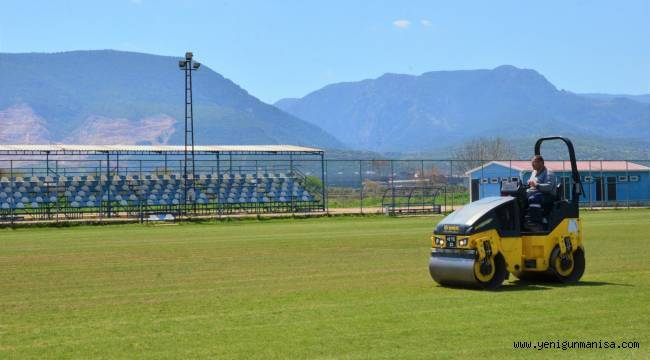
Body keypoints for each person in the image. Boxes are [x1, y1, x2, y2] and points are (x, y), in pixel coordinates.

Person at [525, 155, 556, 229]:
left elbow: (549, 187)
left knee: (534, 199)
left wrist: (536, 185)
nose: (532, 164)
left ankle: (536, 222)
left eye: (534, 162)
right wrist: (529, 183)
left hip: (547, 195)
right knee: (519, 197)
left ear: (541, 163)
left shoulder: (549, 173)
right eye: (532, 162)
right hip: (536, 192)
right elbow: (532, 185)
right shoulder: (534, 172)